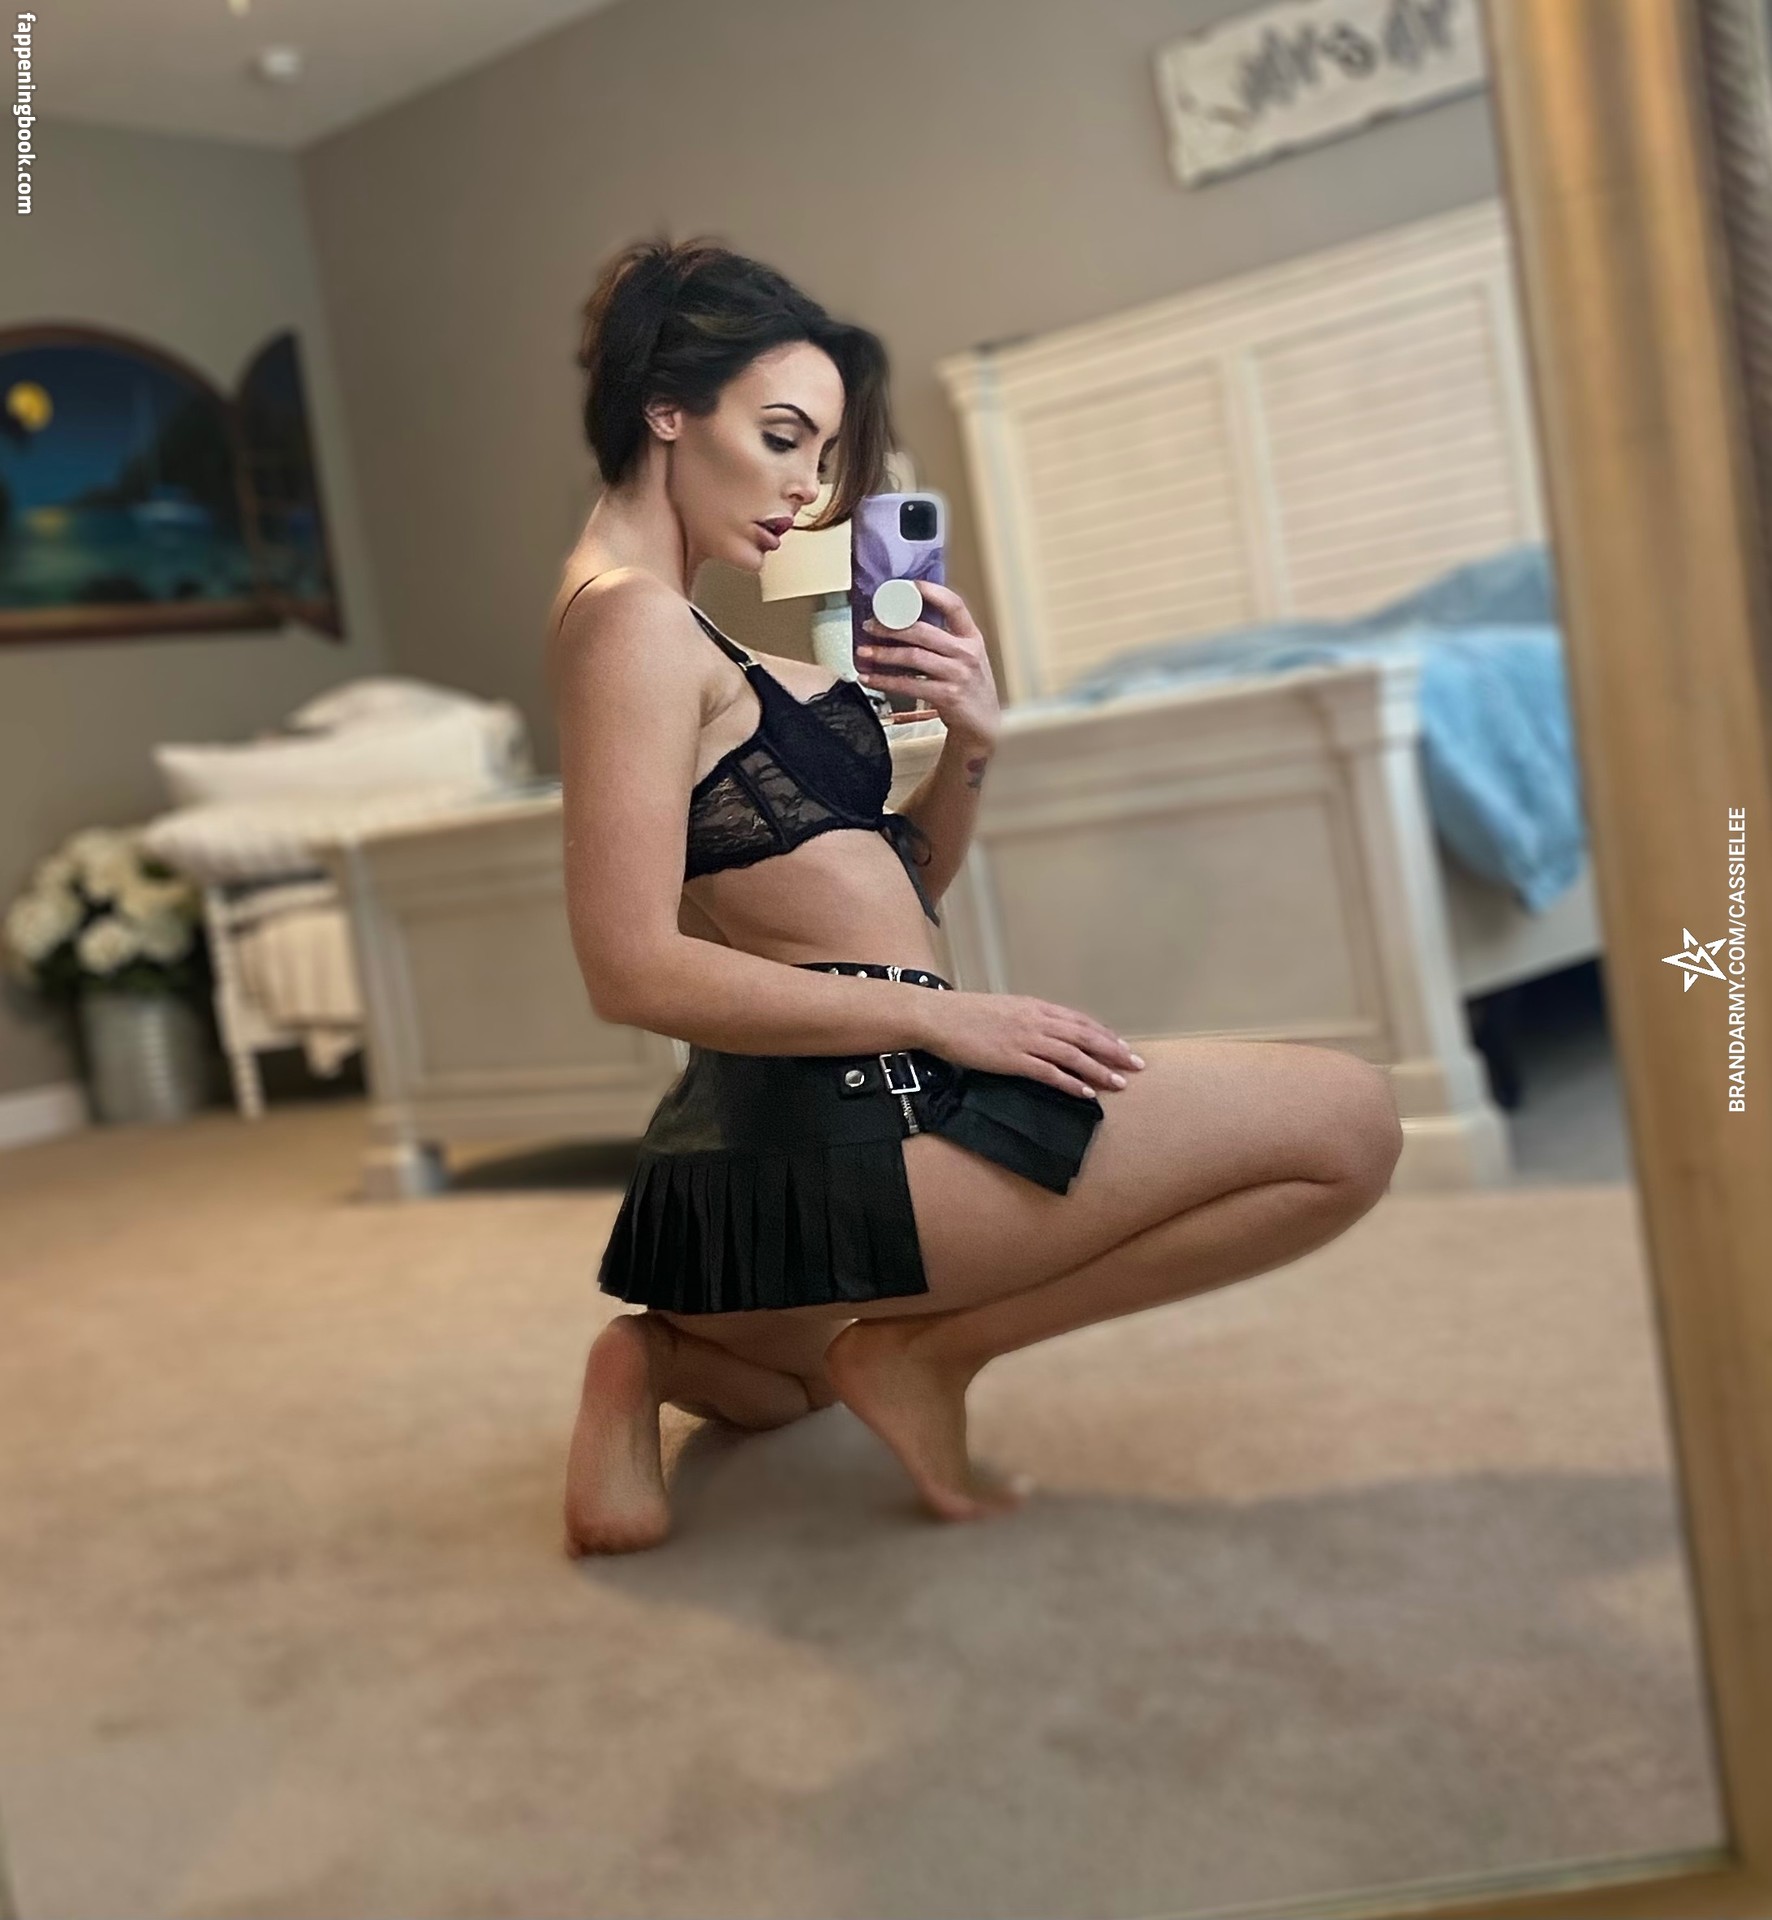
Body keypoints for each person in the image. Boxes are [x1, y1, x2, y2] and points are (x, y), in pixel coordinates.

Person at [549, 235, 1404, 1555]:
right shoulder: (631, 624)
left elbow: (893, 893)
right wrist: (949, 1019)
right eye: (780, 438)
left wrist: (974, 743)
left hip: (753, 1183)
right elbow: (630, 968)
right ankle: (931, 1353)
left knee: (787, 1395)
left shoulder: (676, 627)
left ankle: (652, 1354)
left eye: (824, 455)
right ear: (667, 408)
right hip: (850, 1130)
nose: (806, 488)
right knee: (1350, 1123)